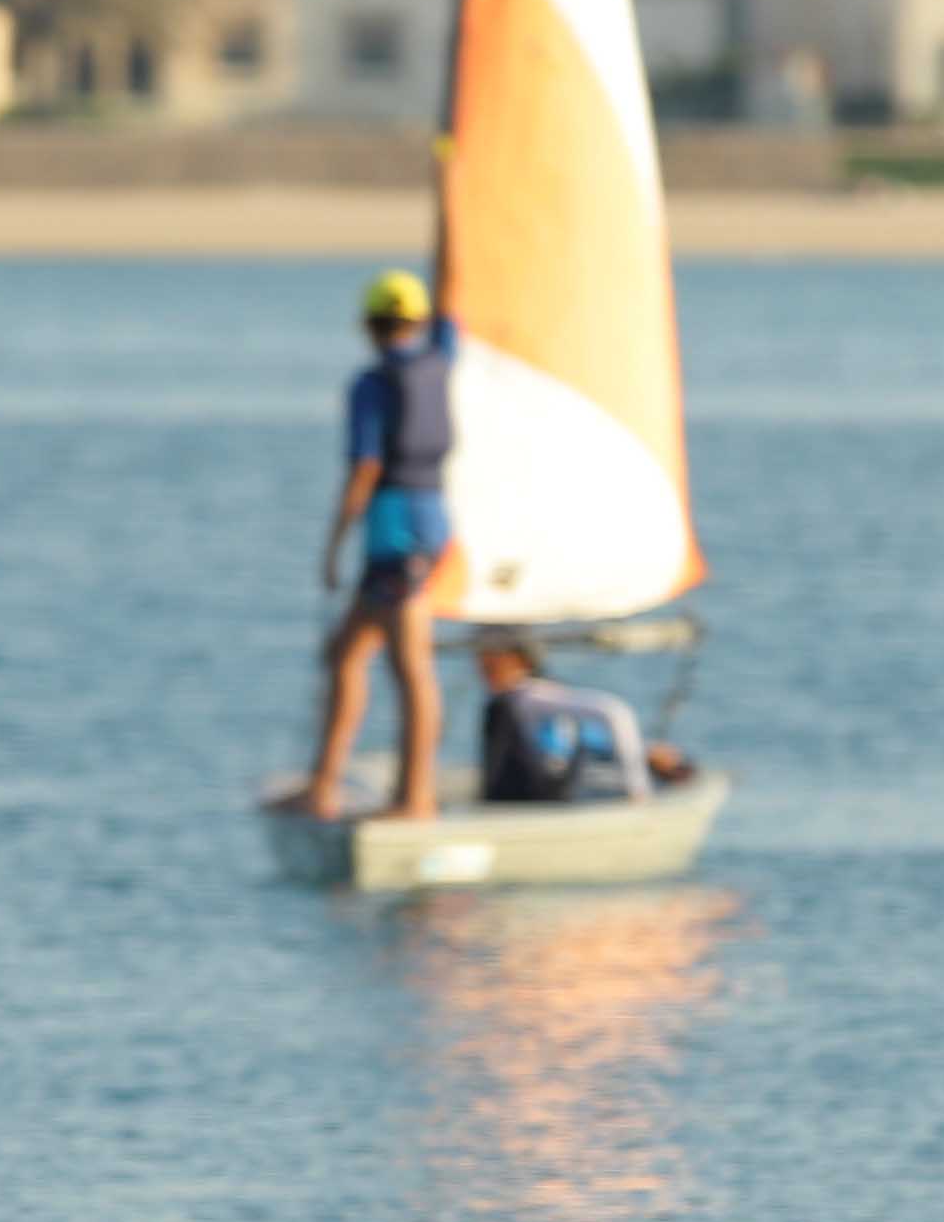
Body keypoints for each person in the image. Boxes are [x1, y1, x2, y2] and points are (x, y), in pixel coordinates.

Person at [274, 267, 458, 821]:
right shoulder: (440, 361)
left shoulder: (371, 386)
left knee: (409, 665)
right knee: (346, 654)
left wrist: (333, 546)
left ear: (371, 327)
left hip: (397, 536)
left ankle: (414, 798)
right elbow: (451, 294)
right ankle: (323, 785)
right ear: (417, 322)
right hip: (428, 529)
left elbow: (365, 466)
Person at [470, 636, 685, 806]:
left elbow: (613, 713)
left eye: (490, 664)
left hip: (537, 797)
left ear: (519, 661)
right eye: (482, 665)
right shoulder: (517, 700)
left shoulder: (528, 697)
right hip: (524, 793)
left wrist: (637, 789)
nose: (482, 671)